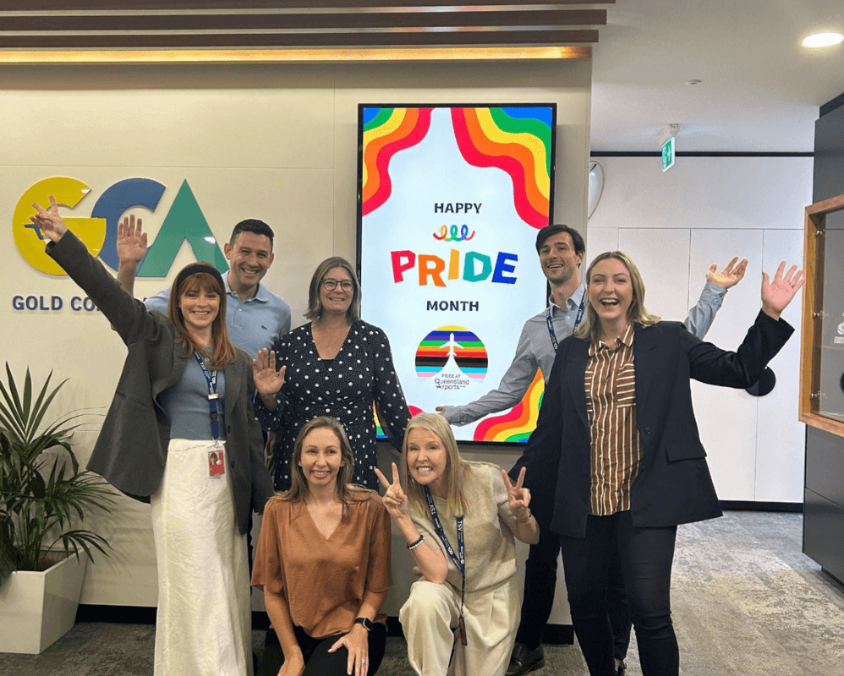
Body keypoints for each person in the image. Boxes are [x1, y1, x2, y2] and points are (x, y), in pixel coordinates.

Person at [438, 223, 748, 676]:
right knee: (561, 576)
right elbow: (523, 402)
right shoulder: (546, 335)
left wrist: (714, 294)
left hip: (633, 475)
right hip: (568, 469)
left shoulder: (634, 323)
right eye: (544, 250)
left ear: (580, 257)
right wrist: (457, 418)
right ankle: (549, 648)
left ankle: (618, 653)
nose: (553, 255)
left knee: (637, 592)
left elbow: (683, 344)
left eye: (561, 248)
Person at [514, 250, 803, 676]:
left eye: (618, 280)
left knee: (650, 611)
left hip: (645, 500)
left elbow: (738, 369)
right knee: (586, 607)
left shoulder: (666, 339)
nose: (608, 288)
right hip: (583, 500)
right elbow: (550, 429)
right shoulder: (574, 352)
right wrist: (515, 477)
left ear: (633, 289)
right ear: (588, 290)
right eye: (598, 280)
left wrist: (769, 314)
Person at [31, 196, 274, 676]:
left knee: (227, 576)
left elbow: (247, 435)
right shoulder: (157, 336)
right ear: (178, 301)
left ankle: (228, 665)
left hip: (228, 480)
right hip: (180, 474)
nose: (201, 303)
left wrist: (272, 502)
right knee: (193, 577)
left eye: (210, 296)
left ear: (219, 304)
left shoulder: (237, 361)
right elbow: (109, 295)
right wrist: (64, 238)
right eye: (192, 295)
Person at [375, 413, 539, 676]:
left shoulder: (486, 478)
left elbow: (531, 536)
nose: (421, 457)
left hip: (491, 595)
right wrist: (403, 519)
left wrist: (523, 516)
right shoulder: (411, 498)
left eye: (432, 447)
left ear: (449, 450)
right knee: (423, 600)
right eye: (413, 449)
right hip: (446, 591)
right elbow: (438, 573)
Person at [251, 257, 411, 492]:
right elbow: (276, 419)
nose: (338, 290)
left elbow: (391, 403)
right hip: (302, 459)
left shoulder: (373, 339)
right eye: (330, 283)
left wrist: (418, 447)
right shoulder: (290, 343)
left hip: (355, 458)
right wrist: (267, 397)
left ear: (354, 292)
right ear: (317, 288)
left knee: (355, 527)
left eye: (346, 284)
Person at [251, 416, 392, 676]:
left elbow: (377, 586)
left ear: (343, 459)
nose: (321, 462)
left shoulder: (371, 508)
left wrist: (360, 629)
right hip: (292, 630)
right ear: (298, 459)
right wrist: (292, 654)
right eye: (312, 452)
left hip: (351, 628)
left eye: (330, 452)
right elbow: (272, 592)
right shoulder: (277, 510)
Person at [117, 214, 291, 359]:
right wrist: (128, 265)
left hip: (246, 402)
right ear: (228, 251)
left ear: (270, 259)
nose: (252, 262)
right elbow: (126, 319)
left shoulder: (280, 310)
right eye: (245, 252)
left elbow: (277, 368)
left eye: (261, 255)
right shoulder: (193, 294)